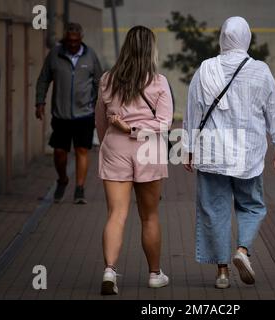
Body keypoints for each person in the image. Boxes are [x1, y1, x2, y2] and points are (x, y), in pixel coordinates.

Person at [183, 17, 275, 289]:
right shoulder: (261, 71)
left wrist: (188, 148)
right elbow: (273, 111)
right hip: (248, 155)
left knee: (214, 210)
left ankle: (221, 272)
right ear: (246, 38)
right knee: (252, 205)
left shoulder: (205, 69)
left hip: (212, 154)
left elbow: (192, 111)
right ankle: (242, 251)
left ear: (222, 38)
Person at [95, 26, 173, 295]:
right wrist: (137, 131)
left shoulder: (107, 79)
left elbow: (101, 122)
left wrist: (113, 141)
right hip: (148, 150)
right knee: (149, 216)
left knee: (116, 214)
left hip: (115, 147)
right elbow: (164, 124)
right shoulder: (159, 81)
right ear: (150, 49)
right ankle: (154, 274)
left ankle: (109, 271)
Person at [35, 22, 103, 204]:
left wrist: (97, 106)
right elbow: (43, 79)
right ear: (65, 39)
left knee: (82, 150)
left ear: (81, 39)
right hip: (61, 113)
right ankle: (63, 179)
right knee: (59, 152)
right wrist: (39, 102)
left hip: (84, 113)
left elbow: (99, 82)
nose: (73, 44)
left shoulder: (90, 56)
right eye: (69, 40)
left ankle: (79, 189)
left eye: (76, 40)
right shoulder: (55, 55)